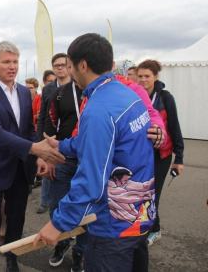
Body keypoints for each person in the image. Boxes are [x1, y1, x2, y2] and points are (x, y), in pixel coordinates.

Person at [34, 33, 155, 272]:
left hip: (114, 224)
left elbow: (91, 179)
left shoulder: (99, 109)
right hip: (140, 215)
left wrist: (59, 223)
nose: (68, 72)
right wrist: (62, 145)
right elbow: (108, 144)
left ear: (82, 65)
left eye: (69, 65)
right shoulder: (126, 94)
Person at [0, 41, 64, 272]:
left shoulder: (23, 91)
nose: (12, 67)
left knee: (16, 221)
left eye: (15, 62)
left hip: (20, 169)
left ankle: (12, 259)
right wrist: (35, 150)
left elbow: (28, 129)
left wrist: (38, 157)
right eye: (6, 62)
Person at [137, 59, 184, 246]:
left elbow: (174, 127)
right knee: (141, 193)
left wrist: (179, 158)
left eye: (147, 76)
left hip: (161, 154)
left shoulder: (165, 98)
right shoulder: (134, 96)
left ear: (155, 77)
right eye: (140, 76)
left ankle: (154, 230)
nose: (142, 80)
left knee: (153, 194)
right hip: (140, 154)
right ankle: (146, 227)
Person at [41, 77, 86, 270]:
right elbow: (49, 125)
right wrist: (48, 158)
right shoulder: (58, 94)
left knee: (87, 208)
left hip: (88, 157)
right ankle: (61, 243)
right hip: (63, 157)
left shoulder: (100, 90)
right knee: (56, 203)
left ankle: (81, 251)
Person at [36, 54, 71, 215]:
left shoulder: (77, 85)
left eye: (63, 64)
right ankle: (45, 201)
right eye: (56, 65)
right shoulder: (49, 89)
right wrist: (40, 145)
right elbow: (43, 116)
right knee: (49, 174)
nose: (60, 68)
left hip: (70, 141)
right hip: (51, 139)